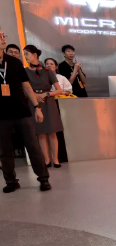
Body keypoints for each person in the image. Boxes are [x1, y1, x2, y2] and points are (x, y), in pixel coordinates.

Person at [0, 29, 51, 192]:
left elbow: (26, 85)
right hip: (1, 115)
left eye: (3, 36)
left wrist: (36, 107)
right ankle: (11, 181)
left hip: (22, 111)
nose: (3, 39)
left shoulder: (14, 62)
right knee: (4, 150)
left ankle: (43, 178)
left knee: (33, 146)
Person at [23, 45, 64, 168]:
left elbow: (59, 90)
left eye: (27, 54)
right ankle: (46, 159)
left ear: (35, 55)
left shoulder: (47, 71)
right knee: (40, 133)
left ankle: (55, 159)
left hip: (48, 102)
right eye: (24, 54)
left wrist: (46, 94)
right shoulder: (25, 71)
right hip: (34, 102)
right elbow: (24, 89)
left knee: (52, 132)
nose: (25, 57)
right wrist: (34, 95)